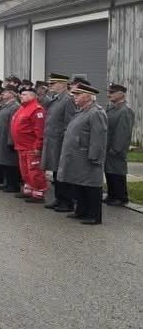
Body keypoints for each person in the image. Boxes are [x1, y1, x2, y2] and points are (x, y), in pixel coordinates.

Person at [57, 82, 108, 225]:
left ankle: (93, 215)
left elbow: (98, 137)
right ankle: (81, 211)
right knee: (79, 185)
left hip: (87, 156)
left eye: (78, 94)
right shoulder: (82, 111)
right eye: (74, 94)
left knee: (91, 186)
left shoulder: (96, 112)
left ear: (88, 96)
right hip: (77, 156)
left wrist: (94, 156)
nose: (75, 97)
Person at [40, 73, 78, 212]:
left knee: (62, 173)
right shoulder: (56, 99)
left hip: (60, 142)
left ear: (62, 84)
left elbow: (69, 123)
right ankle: (59, 198)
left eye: (53, 83)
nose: (50, 86)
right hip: (52, 141)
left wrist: (65, 142)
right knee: (56, 172)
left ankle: (66, 202)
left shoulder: (68, 100)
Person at [10, 84, 48, 201]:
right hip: (21, 146)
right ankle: (29, 189)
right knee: (25, 170)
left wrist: (38, 146)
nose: (21, 96)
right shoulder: (22, 108)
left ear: (32, 96)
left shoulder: (37, 109)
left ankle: (38, 192)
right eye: (21, 94)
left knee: (34, 170)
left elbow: (40, 131)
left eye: (25, 94)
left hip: (31, 146)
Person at [104, 82, 135, 206]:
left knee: (117, 172)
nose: (109, 95)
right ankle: (112, 194)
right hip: (108, 147)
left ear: (121, 94)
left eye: (112, 92)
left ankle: (121, 197)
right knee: (109, 171)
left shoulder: (125, 111)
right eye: (109, 92)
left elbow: (123, 132)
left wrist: (116, 148)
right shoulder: (111, 108)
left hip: (117, 149)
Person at [0, 83, 21, 193]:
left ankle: (13, 185)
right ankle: (7, 183)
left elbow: (14, 125)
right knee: (4, 161)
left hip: (8, 139)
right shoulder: (7, 105)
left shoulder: (15, 106)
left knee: (10, 162)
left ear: (12, 94)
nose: (3, 93)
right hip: (1, 138)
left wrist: (11, 140)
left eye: (6, 92)